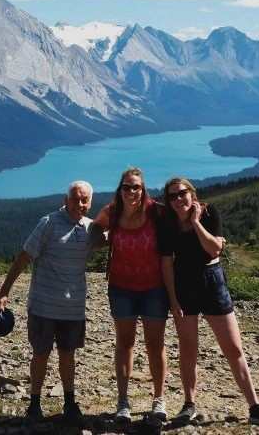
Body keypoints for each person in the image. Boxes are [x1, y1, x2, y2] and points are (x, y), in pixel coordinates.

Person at [158, 177, 259, 427]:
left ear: (192, 193)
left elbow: (214, 249)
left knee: (233, 348)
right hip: (184, 285)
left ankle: (254, 406)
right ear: (168, 201)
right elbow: (166, 263)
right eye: (172, 196)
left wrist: (196, 223)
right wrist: (172, 298)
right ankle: (189, 404)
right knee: (188, 349)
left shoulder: (210, 213)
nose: (179, 199)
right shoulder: (167, 224)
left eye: (182, 193)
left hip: (212, 281)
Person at [0, 180, 102, 426]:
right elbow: (24, 257)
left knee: (68, 354)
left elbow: (120, 233)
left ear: (91, 203)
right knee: (40, 353)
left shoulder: (91, 229)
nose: (79, 204)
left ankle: (69, 402)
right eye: (75, 198)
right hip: (43, 304)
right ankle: (34, 403)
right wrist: (4, 291)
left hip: (73, 307)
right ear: (66, 200)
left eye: (84, 200)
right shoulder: (49, 223)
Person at [93, 168, 168, 425]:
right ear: (120, 189)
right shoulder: (112, 212)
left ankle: (158, 400)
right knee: (125, 343)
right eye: (127, 187)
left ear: (143, 188)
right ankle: (123, 402)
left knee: (155, 345)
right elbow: (95, 226)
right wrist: (101, 237)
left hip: (154, 288)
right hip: (121, 287)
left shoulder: (155, 211)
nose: (131, 192)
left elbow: (180, 219)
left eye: (136, 187)